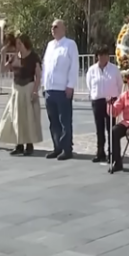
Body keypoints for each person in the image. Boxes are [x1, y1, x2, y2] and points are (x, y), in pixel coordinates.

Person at [0, 34, 44, 155]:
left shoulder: (33, 57)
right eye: (16, 43)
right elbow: (3, 70)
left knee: (28, 117)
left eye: (19, 43)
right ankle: (19, 144)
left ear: (25, 43)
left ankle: (29, 144)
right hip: (16, 89)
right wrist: (3, 55)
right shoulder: (15, 57)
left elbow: (38, 75)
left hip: (28, 88)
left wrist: (34, 90)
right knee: (16, 117)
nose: (17, 46)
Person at [41, 19, 79, 161]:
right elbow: (46, 66)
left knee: (65, 120)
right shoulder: (50, 45)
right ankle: (57, 147)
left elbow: (74, 66)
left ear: (63, 28)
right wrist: (44, 86)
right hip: (50, 88)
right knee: (53, 121)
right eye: (52, 27)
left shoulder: (70, 44)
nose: (53, 29)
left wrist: (70, 85)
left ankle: (66, 148)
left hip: (63, 89)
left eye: (56, 27)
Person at [85, 46, 123, 163]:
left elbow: (119, 84)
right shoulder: (92, 70)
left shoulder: (114, 69)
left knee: (110, 128)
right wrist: (94, 95)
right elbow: (89, 84)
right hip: (97, 101)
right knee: (99, 128)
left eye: (105, 55)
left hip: (111, 101)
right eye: (100, 55)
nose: (102, 57)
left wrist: (115, 98)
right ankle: (100, 152)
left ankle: (112, 153)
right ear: (97, 56)